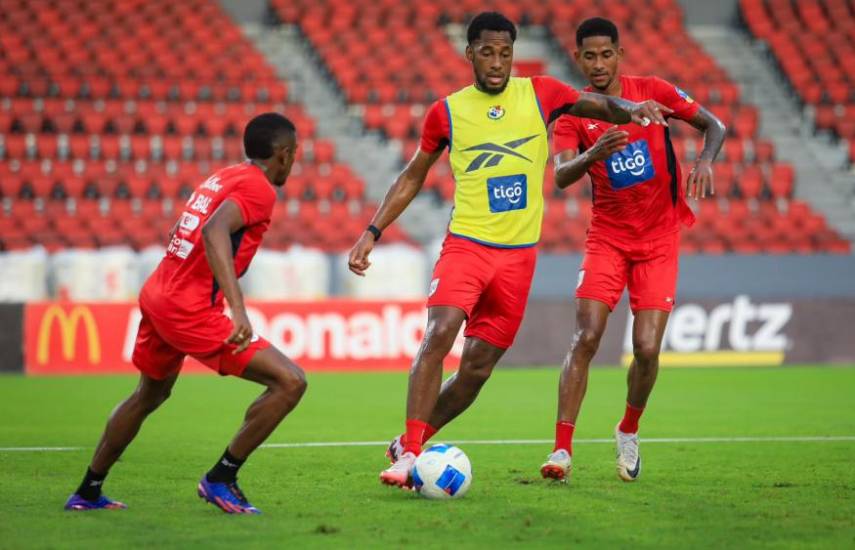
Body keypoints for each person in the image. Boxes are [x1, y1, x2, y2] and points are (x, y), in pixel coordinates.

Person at [347, 11, 672, 488]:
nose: (497, 62)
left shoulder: (540, 92)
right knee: (440, 332)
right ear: (470, 54)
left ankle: (407, 439)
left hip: (519, 258)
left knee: (476, 370)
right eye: (487, 51)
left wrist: (633, 109)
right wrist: (372, 231)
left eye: (505, 52)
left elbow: (596, 107)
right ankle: (410, 455)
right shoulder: (447, 112)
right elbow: (414, 174)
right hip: (468, 246)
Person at [64, 113, 307, 514]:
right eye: (294, 153)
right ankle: (221, 479)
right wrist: (238, 310)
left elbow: (188, 227)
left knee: (149, 393)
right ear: (282, 154)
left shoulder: (223, 176)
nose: (294, 161)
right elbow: (213, 231)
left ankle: (88, 492)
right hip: (187, 307)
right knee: (290, 382)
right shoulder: (258, 188)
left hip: (160, 291)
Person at [539, 17, 726, 483]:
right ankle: (562, 449)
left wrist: (704, 161)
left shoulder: (653, 91)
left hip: (659, 240)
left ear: (619, 54)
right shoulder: (573, 112)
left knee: (646, 348)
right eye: (590, 56)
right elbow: (562, 176)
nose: (599, 63)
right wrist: (594, 153)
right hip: (607, 238)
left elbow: (714, 125)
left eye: (607, 54)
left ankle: (628, 430)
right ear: (578, 58)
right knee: (585, 337)